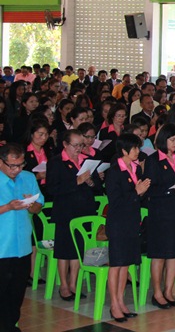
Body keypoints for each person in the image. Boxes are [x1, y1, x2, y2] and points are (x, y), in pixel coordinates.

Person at [46, 129, 99, 301]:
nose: (78, 149)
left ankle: (74, 283)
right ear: (65, 144)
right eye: (75, 145)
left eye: (81, 145)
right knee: (64, 250)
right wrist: (77, 181)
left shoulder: (86, 160)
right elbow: (52, 188)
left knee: (78, 249)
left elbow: (98, 185)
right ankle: (63, 285)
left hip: (84, 210)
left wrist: (91, 182)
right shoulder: (56, 162)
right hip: (65, 211)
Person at [144, 124, 175, 309]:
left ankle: (169, 290)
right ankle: (157, 292)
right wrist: (173, 186)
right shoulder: (153, 160)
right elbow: (150, 188)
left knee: (174, 253)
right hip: (161, 212)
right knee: (159, 254)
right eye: (172, 139)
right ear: (163, 139)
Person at [105, 134, 149, 322]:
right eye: (135, 148)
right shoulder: (114, 172)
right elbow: (115, 201)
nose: (138, 151)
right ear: (124, 150)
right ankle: (114, 304)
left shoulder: (136, 168)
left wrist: (141, 192)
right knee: (116, 264)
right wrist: (136, 192)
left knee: (126, 264)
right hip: (118, 223)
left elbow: (137, 197)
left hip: (132, 221)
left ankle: (121, 301)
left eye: (139, 147)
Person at [0, 143, 44, 332]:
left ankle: (10, 326)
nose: (17, 170)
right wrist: (8, 207)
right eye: (12, 166)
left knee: (16, 293)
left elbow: (38, 206)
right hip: (2, 247)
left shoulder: (27, 177)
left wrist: (33, 205)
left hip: (22, 246)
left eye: (20, 165)